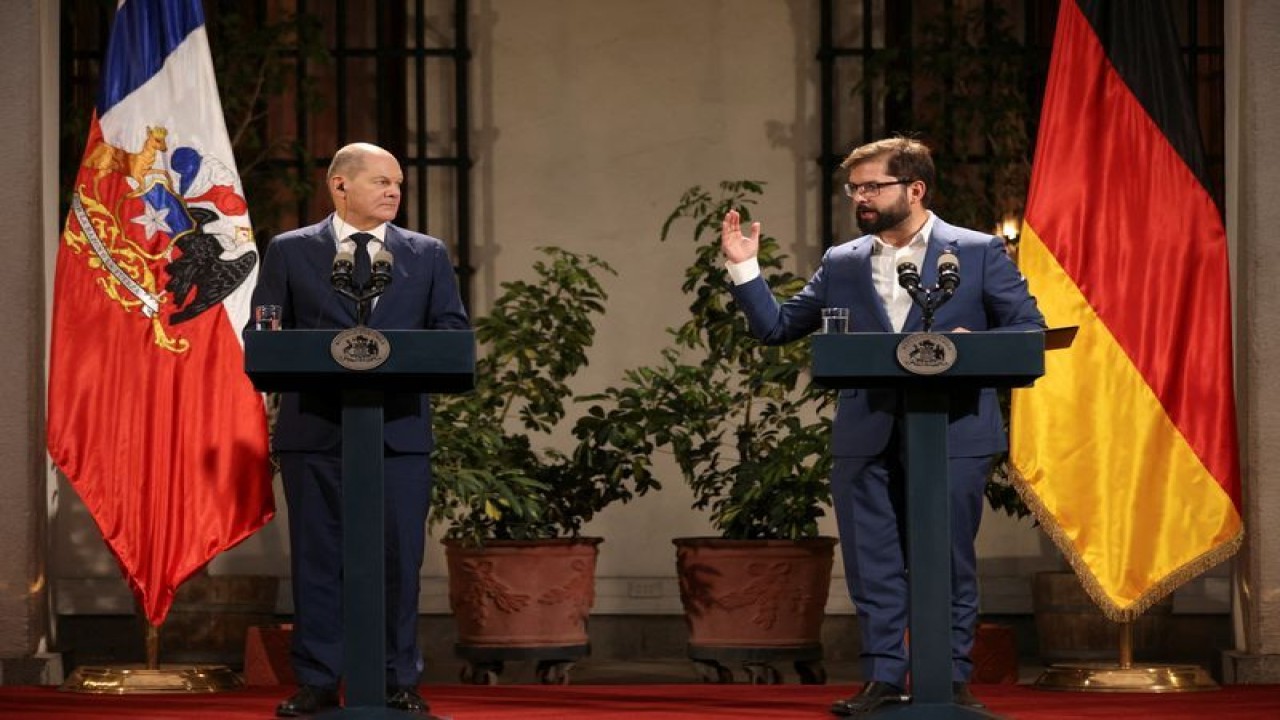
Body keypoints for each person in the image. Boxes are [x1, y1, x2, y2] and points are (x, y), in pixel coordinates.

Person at [720, 137, 1045, 716]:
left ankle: (949, 679)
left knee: (948, 559)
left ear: (915, 189)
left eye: (873, 186)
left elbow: (1027, 331)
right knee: (872, 564)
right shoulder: (841, 261)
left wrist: (972, 344)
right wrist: (744, 266)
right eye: (854, 189)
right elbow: (777, 328)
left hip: (953, 431)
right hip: (865, 434)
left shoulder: (976, 251)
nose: (860, 198)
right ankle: (884, 679)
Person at [249, 142, 469, 718]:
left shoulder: (427, 254)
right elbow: (265, 332)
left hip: (398, 435)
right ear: (340, 185)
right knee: (317, 561)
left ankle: (398, 679)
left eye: (398, 183)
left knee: (398, 561)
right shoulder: (291, 250)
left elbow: (451, 334)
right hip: (316, 433)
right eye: (381, 181)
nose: (394, 191)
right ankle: (319, 679)